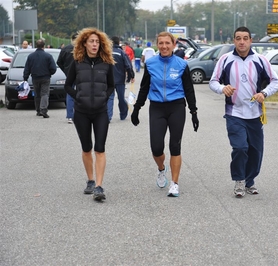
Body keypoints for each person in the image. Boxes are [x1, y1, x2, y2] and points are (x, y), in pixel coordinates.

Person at [209, 26, 278, 198]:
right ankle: (239, 180)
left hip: (255, 114)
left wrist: (264, 93)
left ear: (250, 40)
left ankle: (250, 181)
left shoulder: (260, 60)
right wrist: (222, 88)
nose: (242, 41)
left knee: (256, 151)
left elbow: (276, 82)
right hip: (234, 113)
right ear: (234, 40)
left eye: (245, 38)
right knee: (240, 147)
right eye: (238, 38)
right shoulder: (225, 59)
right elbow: (213, 82)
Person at [131, 31, 199, 197]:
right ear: (157, 45)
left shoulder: (181, 64)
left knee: (175, 146)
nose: (164, 46)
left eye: (167, 43)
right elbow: (144, 87)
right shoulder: (151, 63)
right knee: (156, 147)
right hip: (157, 108)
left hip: (176, 107)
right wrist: (137, 108)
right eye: (161, 43)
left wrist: (193, 111)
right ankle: (162, 169)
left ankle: (174, 184)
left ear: (173, 44)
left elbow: (189, 90)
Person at [64, 28, 115, 201]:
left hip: (100, 112)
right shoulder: (77, 62)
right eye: (91, 41)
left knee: (100, 149)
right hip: (81, 113)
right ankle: (91, 180)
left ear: (101, 44)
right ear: (84, 43)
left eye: (97, 42)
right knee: (87, 148)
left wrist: (103, 97)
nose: (94, 44)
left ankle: (99, 186)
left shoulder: (106, 62)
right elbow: (67, 85)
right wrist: (77, 96)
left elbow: (111, 86)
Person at [23, 39, 57, 118]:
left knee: (37, 94)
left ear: (36, 46)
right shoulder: (48, 56)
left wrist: (25, 78)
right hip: (45, 77)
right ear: (43, 46)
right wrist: (49, 73)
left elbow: (27, 68)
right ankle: (43, 109)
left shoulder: (31, 56)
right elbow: (53, 68)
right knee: (44, 94)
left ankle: (38, 110)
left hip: (35, 77)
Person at [108, 36, 135, 121]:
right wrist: (131, 76)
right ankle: (123, 114)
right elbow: (128, 65)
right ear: (118, 42)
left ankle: (108, 116)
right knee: (121, 98)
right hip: (120, 79)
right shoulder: (121, 52)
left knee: (110, 97)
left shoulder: (107, 53)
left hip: (109, 79)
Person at [57, 32, 78, 124]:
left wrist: (65, 70)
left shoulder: (65, 49)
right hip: (80, 73)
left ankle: (70, 116)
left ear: (71, 39)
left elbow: (59, 62)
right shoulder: (82, 49)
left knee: (70, 94)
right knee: (82, 93)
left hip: (69, 74)